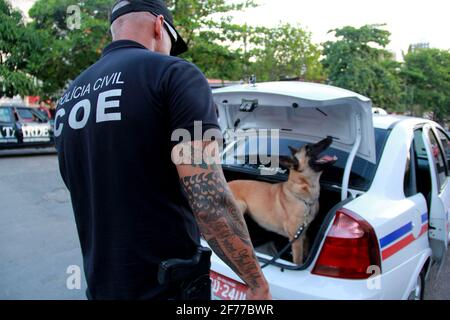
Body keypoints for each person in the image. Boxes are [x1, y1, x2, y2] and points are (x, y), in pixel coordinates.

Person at [54, 0, 271, 300]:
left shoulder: (69, 98)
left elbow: (82, 184)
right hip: (167, 288)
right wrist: (255, 281)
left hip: (102, 287)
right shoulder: (175, 74)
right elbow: (208, 198)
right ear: (159, 26)